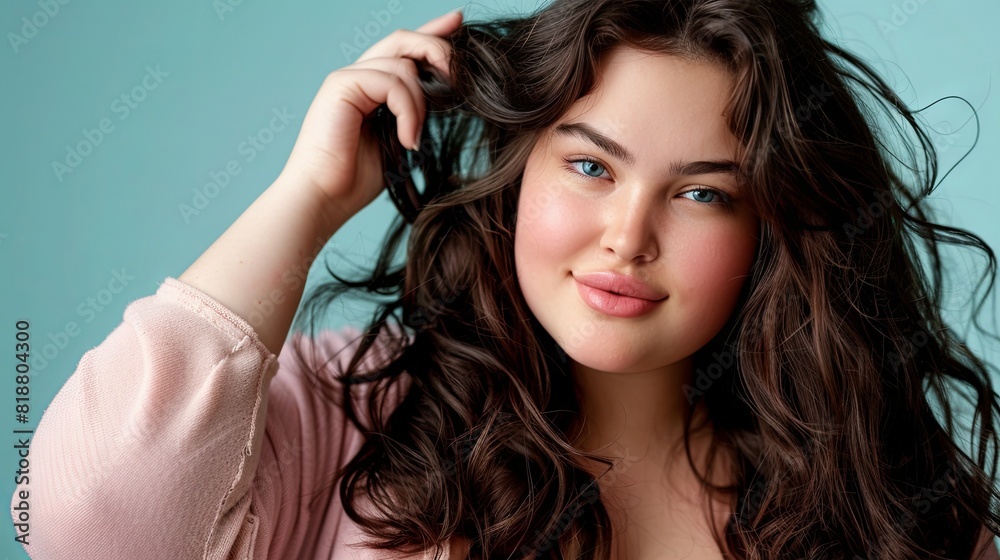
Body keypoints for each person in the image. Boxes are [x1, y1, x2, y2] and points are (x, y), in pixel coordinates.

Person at [11, 0, 1000, 558]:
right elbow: (93, 522)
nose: (627, 236)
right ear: (514, 169)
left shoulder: (883, 501)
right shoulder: (348, 409)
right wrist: (304, 197)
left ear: (772, 228)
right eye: (588, 166)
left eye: (702, 194)